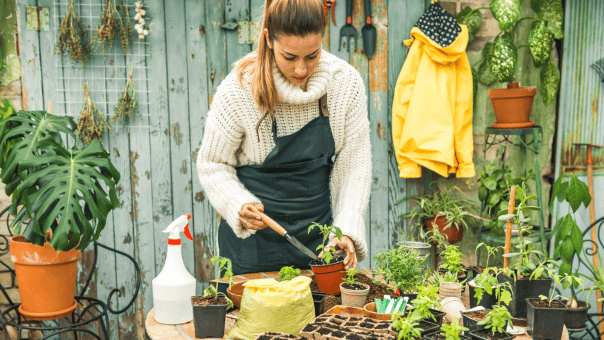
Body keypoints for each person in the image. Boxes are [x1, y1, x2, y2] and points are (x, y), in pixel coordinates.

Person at [196, 0, 371, 275]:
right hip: (252, 248)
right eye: (289, 57)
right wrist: (236, 203)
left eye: (312, 55)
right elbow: (212, 164)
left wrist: (345, 228)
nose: (301, 70)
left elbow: (354, 163)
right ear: (268, 39)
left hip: (321, 244)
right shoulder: (239, 90)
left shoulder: (344, 83)